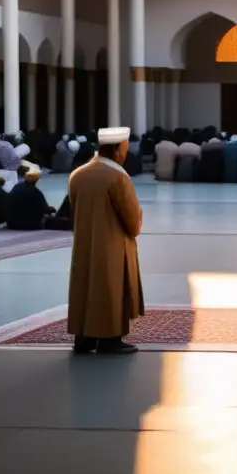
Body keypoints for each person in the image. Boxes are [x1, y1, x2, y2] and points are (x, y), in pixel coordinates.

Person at [66, 126, 144, 355]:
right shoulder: (118, 177)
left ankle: (84, 337)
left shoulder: (78, 174)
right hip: (112, 246)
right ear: (119, 147)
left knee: (86, 286)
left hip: (84, 244)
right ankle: (110, 339)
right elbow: (132, 223)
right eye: (125, 146)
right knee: (110, 288)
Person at [6, 164, 54, 231]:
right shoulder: (36, 192)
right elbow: (46, 210)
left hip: (12, 224)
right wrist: (52, 209)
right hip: (30, 225)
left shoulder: (16, 187)